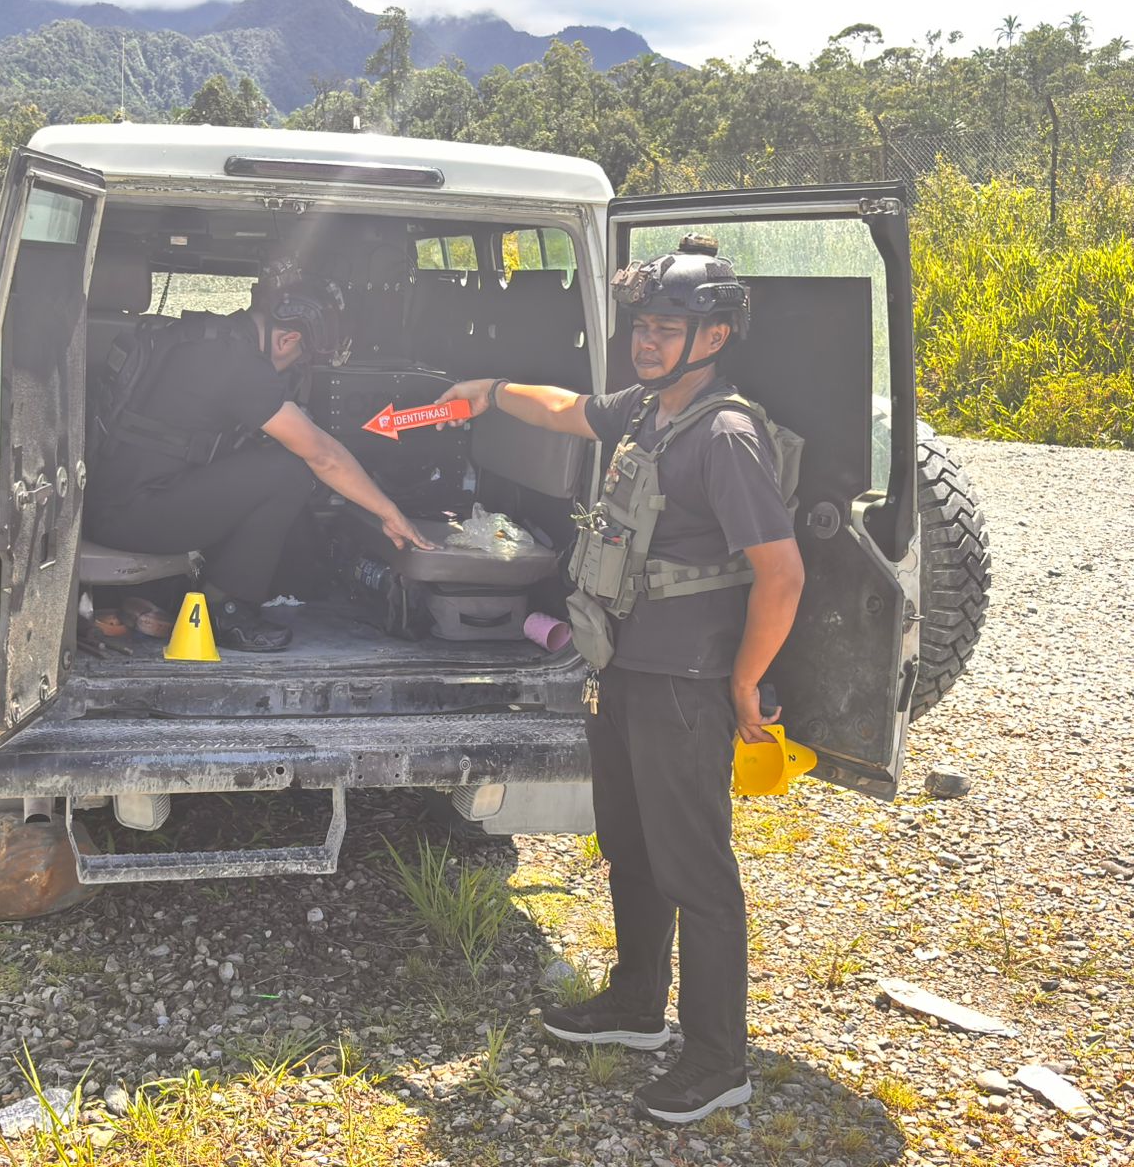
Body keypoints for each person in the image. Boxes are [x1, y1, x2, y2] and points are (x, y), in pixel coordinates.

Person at [437, 236, 805, 1125]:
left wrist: (748, 683)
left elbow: (782, 572)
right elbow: (565, 409)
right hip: (625, 669)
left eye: (667, 328)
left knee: (696, 871)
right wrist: (487, 392)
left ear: (712, 337)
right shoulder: (647, 409)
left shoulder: (723, 433)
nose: (647, 341)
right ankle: (638, 1005)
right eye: (643, 326)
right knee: (630, 848)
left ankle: (720, 1059)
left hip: (687, 682)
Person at [85, 267, 433, 652]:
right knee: (289, 471)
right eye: (301, 360)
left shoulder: (203, 335)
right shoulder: (237, 363)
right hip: (133, 515)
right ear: (288, 339)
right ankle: (227, 609)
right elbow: (322, 454)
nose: (296, 371)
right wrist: (389, 512)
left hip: (111, 500)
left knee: (269, 460)